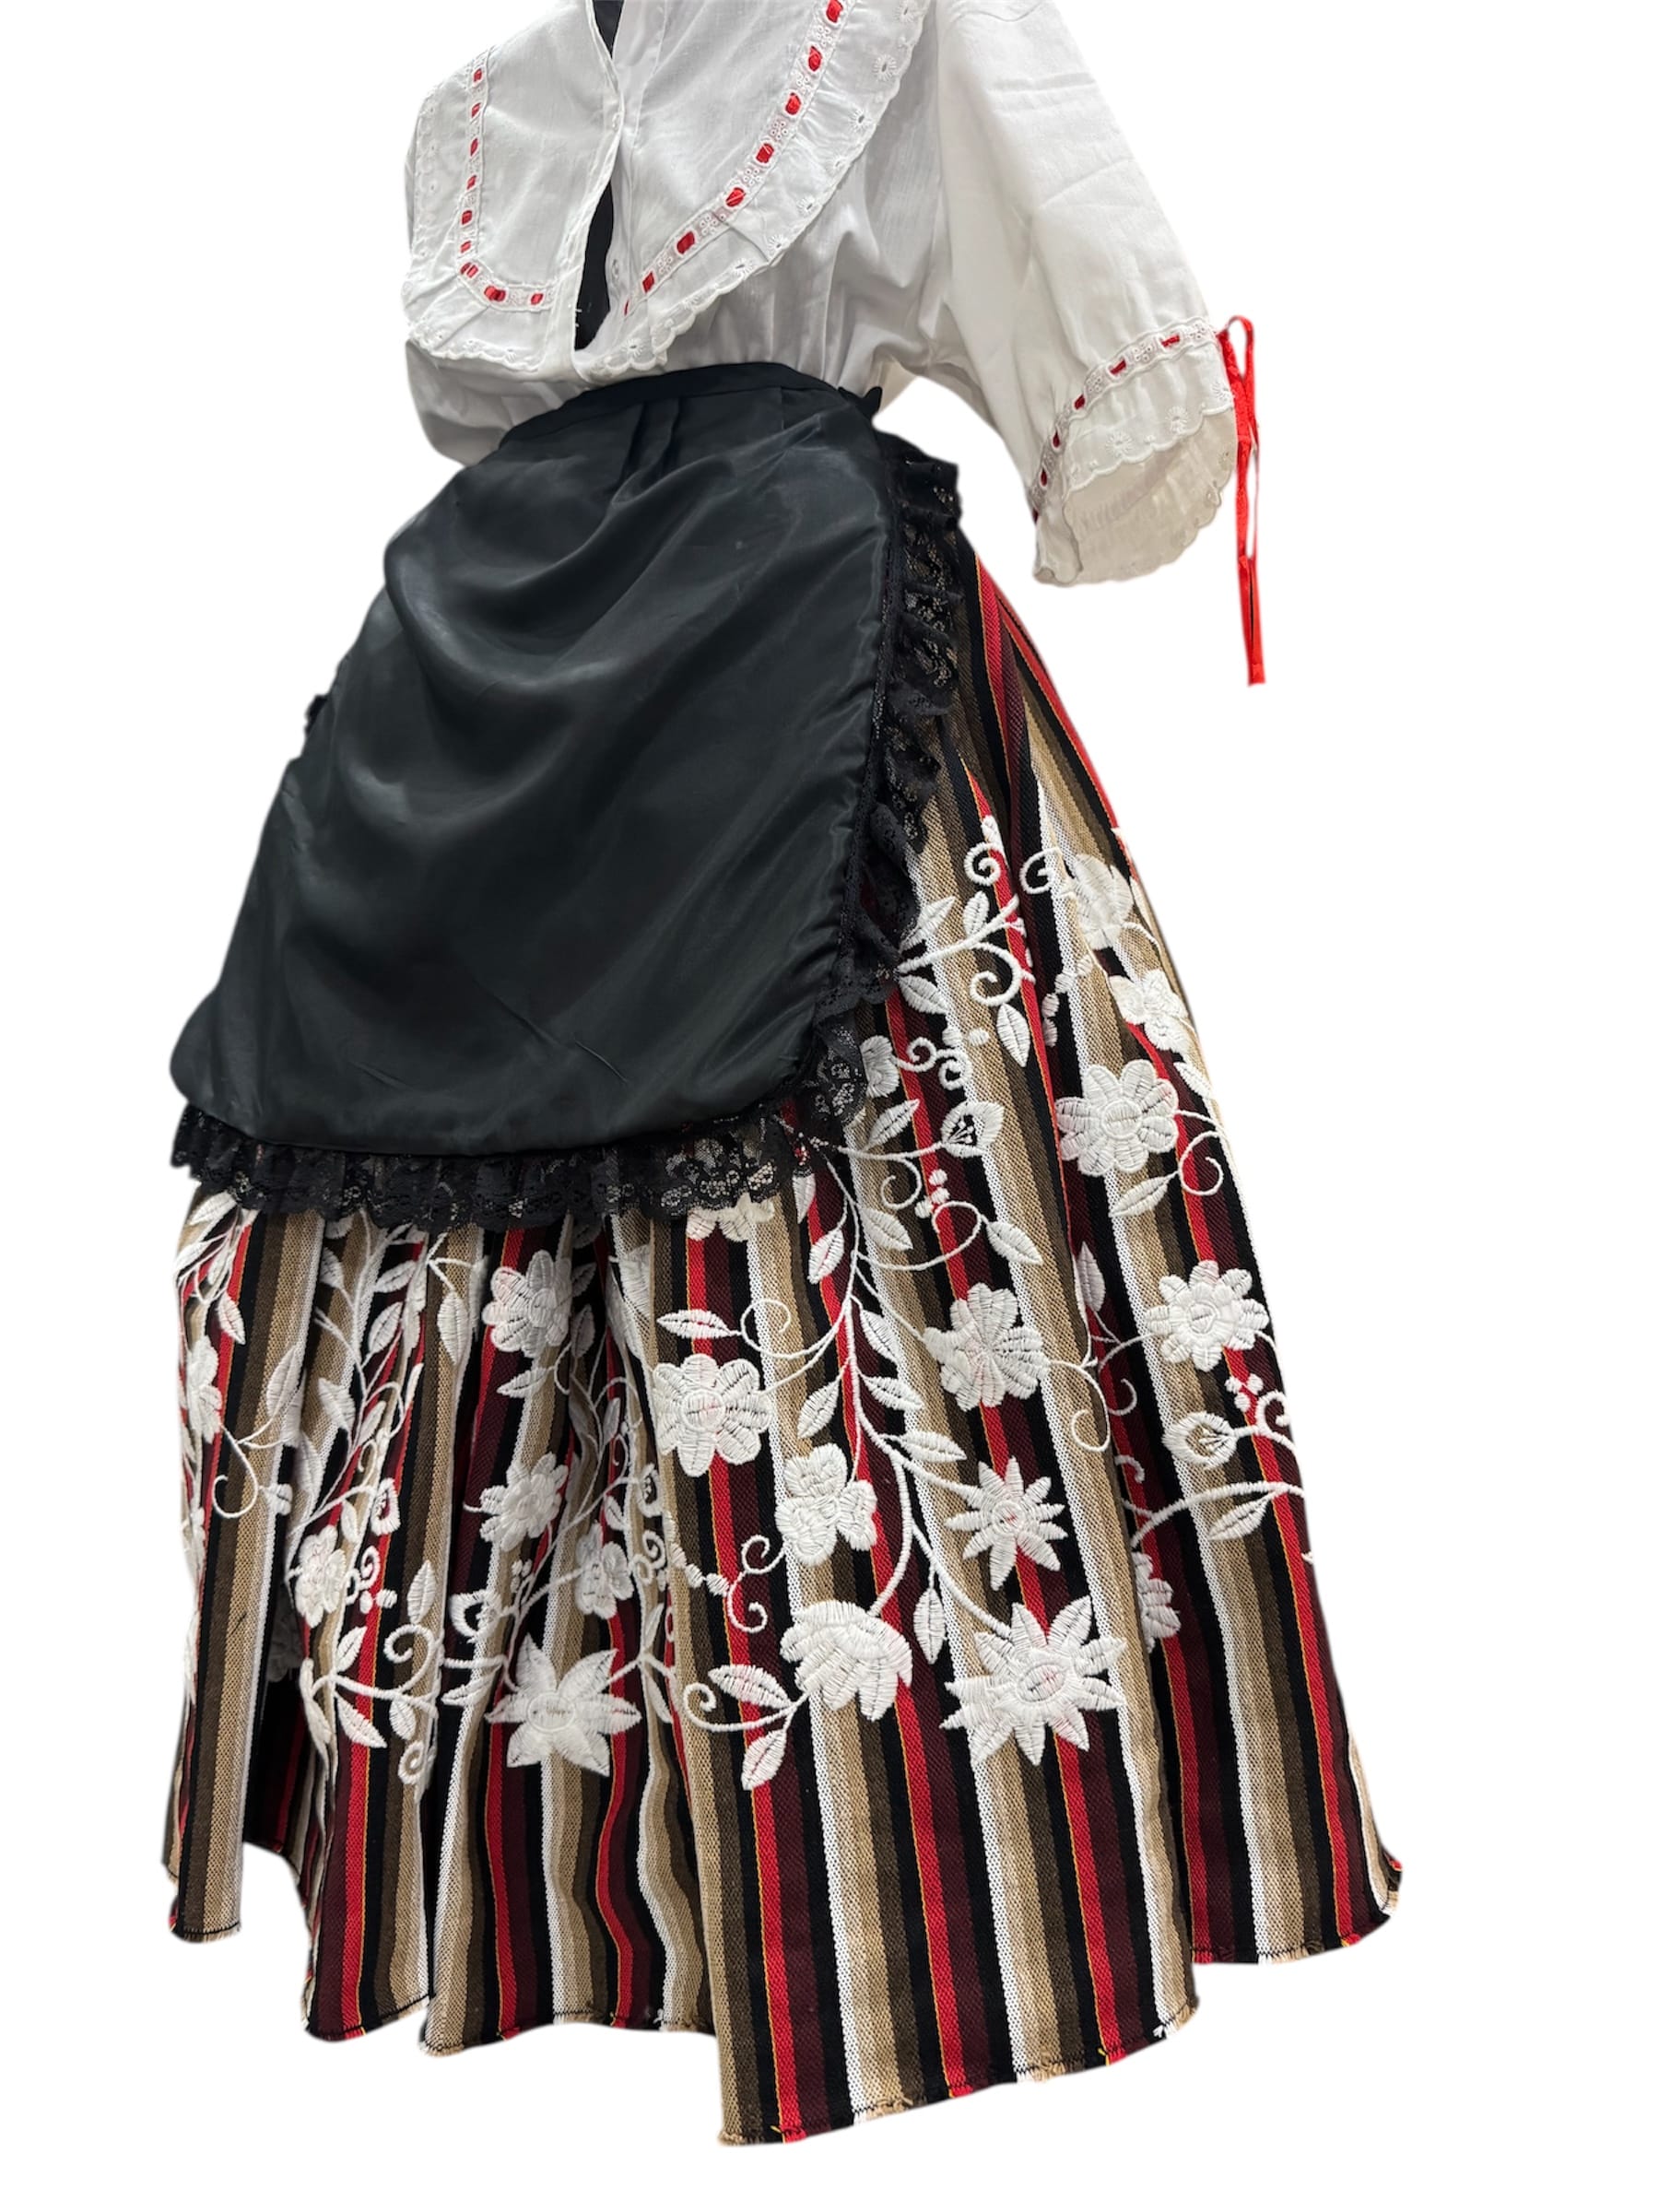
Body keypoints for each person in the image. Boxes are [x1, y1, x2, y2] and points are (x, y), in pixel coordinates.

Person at [164, 0, 1397, 2146]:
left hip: (684, 658)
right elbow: (1124, 402)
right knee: (505, 1181)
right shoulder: (487, 112)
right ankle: (656, 1882)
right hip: (589, 651)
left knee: (781, 1224)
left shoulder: (881, 23)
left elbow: (1091, 335)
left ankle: (772, 1892)